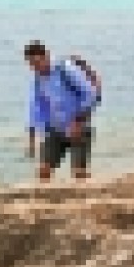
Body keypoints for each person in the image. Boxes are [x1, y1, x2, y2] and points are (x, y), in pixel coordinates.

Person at [24, 41, 98, 182]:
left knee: (78, 174)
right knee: (43, 171)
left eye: (37, 63)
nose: (35, 68)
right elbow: (35, 110)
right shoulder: (38, 80)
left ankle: (85, 197)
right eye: (31, 65)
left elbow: (89, 94)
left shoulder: (64, 70)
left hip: (79, 128)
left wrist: (78, 122)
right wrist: (31, 140)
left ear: (46, 56)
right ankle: (44, 202)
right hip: (56, 130)